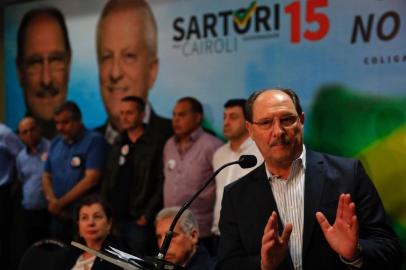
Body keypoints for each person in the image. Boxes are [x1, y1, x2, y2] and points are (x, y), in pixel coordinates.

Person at [217, 88, 404, 270]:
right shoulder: (236, 195)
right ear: (250, 130)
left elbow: (389, 249)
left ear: (302, 120)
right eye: (266, 123)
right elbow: (227, 264)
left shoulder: (348, 173)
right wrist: (263, 265)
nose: (278, 131)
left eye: (287, 120)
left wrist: (355, 253)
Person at [95, 0, 172, 144]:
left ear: (152, 70)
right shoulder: (89, 144)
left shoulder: (174, 139)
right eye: (107, 57)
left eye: (129, 56)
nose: (115, 73)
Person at [102, 96, 164, 256]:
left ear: (142, 115)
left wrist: (146, 215)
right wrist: (105, 211)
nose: (124, 117)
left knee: (138, 263)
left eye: (129, 113)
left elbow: (161, 182)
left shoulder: (155, 143)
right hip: (115, 218)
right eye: (121, 113)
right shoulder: (117, 141)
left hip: (139, 220)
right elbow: (107, 178)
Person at [42, 101, 108, 243]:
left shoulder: (94, 140)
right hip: (56, 216)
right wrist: (52, 200)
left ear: (78, 121)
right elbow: (46, 175)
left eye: (65, 122)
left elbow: (91, 180)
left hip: (81, 217)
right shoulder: (55, 142)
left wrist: (60, 203)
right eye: (57, 123)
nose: (59, 128)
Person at [163, 97, 222, 249]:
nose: (176, 120)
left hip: (201, 230)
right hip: (171, 228)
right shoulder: (169, 144)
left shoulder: (212, 146)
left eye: (182, 115)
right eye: (174, 115)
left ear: (197, 118)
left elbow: (221, 186)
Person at [16, 7, 71, 139]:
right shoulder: (8, 152)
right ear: (20, 72)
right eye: (35, 63)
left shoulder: (93, 146)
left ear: (69, 65)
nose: (46, 80)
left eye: (55, 60)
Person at [211, 99, 263, 239]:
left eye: (233, 117)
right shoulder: (219, 154)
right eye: (224, 117)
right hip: (219, 233)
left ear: (248, 123)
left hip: (250, 233)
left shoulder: (261, 152)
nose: (226, 122)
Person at [16, 117, 51, 246]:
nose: (29, 134)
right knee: (32, 250)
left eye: (32, 129)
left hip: (48, 212)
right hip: (28, 211)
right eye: (24, 132)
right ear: (20, 136)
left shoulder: (51, 148)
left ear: (39, 129)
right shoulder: (21, 157)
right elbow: (23, 180)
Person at [65, 194, 123, 270]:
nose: (91, 223)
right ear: (78, 225)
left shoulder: (119, 259)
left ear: (109, 224)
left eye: (97, 216)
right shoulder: (70, 255)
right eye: (84, 217)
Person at [0, 123, 23, 267]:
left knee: (2, 237)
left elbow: (22, 156)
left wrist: (17, 183)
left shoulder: (5, 133)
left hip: (2, 191)